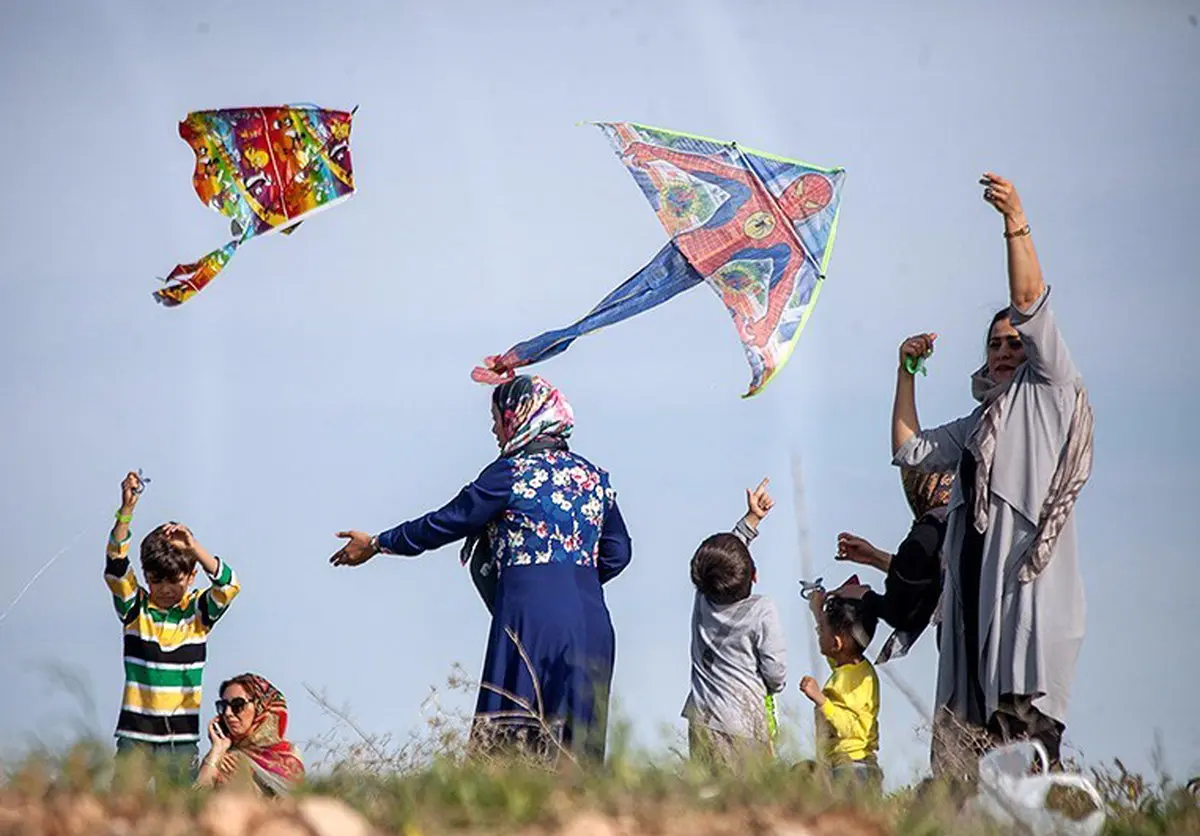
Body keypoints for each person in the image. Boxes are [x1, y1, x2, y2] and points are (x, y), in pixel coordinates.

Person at [890, 173, 1094, 777]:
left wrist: (1015, 222)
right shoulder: (982, 423)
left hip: (1025, 598)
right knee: (968, 756)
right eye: (994, 345)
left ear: (1034, 349)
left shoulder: (1050, 391)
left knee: (1022, 749)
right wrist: (905, 371)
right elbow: (911, 450)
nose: (1004, 352)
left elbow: (1031, 300)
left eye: (1014, 343)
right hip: (975, 603)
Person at [330, 375, 632, 763]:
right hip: (593, 623)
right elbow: (619, 552)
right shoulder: (593, 477)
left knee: (509, 743)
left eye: (496, 417)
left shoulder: (511, 473)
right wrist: (574, 577)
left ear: (518, 415)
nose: (493, 428)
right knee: (577, 749)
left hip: (531, 617)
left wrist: (377, 543)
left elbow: (446, 521)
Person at [104, 471, 241, 781]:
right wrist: (126, 511)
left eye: (174, 581)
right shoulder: (135, 609)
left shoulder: (197, 615)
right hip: (135, 737)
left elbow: (229, 585)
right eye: (156, 580)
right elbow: (115, 566)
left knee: (177, 811)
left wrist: (194, 549)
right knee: (127, 811)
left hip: (179, 741)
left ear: (191, 577)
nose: (165, 589)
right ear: (146, 576)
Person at [682, 479, 786, 766]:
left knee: (706, 798)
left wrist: (751, 520)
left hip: (702, 719)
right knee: (745, 801)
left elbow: (723, 560)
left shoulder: (704, 597)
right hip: (745, 727)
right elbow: (776, 673)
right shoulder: (762, 611)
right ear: (754, 576)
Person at [834, 468, 955, 664]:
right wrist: (875, 557)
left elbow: (904, 610)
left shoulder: (932, 527)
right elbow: (924, 575)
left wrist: (866, 597)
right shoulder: (962, 521)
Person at [798, 588, 881, 789]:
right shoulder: (853, 667)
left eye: (822, 631)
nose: (819, 634)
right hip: (848, 766)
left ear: (837, 642)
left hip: (852, 771)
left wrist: (821, 700)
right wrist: (818, 613)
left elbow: (850, 726)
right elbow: (833, 649)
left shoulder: (853, 680)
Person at [197, 673, 305, 796]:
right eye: (223, 706)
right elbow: (195, 803)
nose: (228, 713)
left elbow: (297, 805)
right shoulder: (223, 758)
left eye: (237, 705)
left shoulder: (289, 755)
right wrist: (216, 751)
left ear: (260, 708)